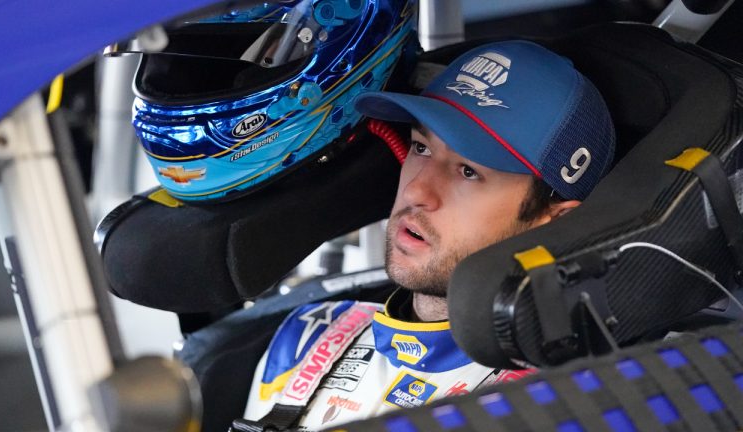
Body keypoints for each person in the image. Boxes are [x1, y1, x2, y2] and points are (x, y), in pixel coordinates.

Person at [238, 40, 616, 431]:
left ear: (552, 221)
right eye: (421, 146)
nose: (417, 191)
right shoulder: (309, 337)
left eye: (468, 171)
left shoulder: (566, 404)